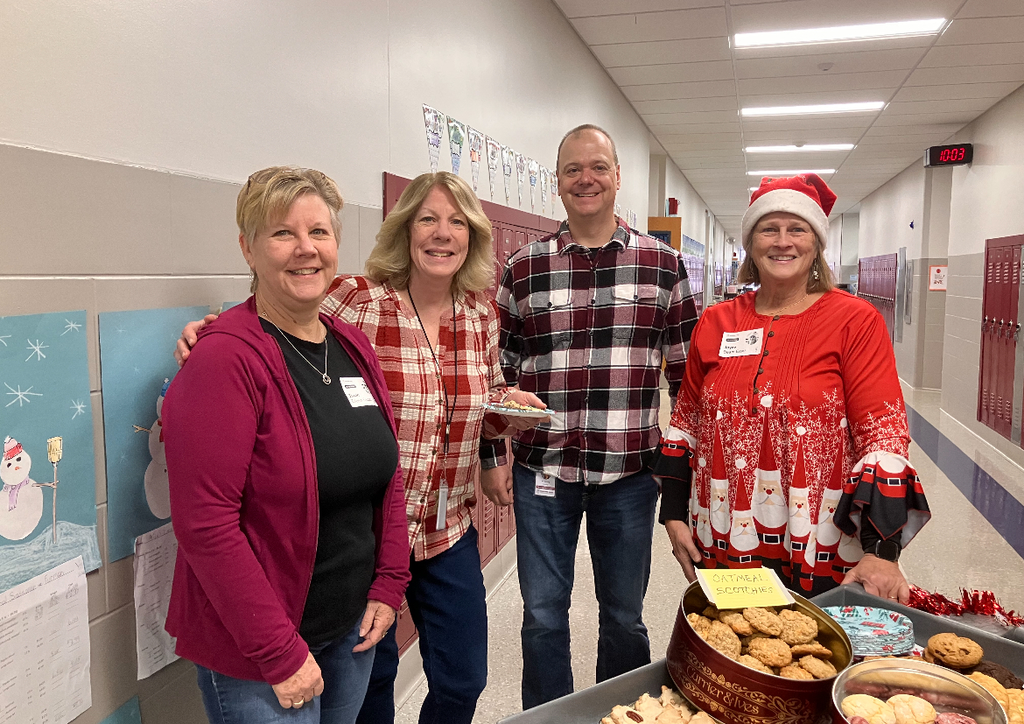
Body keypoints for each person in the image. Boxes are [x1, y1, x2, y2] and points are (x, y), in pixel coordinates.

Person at [177, 171, 544, 724]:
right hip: (352, 554)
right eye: (427, 219)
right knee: (377, 687)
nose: (442, 234)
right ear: (404, 230)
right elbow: (276, 317)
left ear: (473, 236)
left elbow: (464, 406)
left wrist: (502, 418)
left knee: (463, 677)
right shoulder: (358, 304)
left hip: (437, 531)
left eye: (456, 222)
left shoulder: (477, 315)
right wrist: (206, 333)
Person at [163, 166, 411, 724]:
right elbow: (206, 525)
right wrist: (279, 652)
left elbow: (385, 473)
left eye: (319, 232)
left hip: (350, 630)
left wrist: (389, 583)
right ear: (249, 249)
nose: (306, 250)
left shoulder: (349, 343)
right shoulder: (223, 360)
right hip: (262, 651)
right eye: (283, 233)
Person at [483, 124, 700, 709]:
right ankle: (549, 718)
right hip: (541, 473)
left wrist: (685, 482)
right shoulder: (523, 268)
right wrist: (491, 457)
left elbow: (689, 384)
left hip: (629, 475)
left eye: (598, 167)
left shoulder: (663, 265)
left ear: (617, 176)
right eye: (573, 169)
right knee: (543, 616)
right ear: (557, 182)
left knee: (625, 617)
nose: (586, 179)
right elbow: (493, 379)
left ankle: (621, 714)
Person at [653, 173, 931, 603]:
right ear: (751, 242)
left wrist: (882, 549)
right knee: (739, 658)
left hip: (819, 543)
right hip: (724, 534)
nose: (783, 241)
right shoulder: (716, 321)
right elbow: (687, 418)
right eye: (769, 229)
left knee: (811, 660)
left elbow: (883, 432)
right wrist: (673, 514)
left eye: (797, 229)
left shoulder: (855, 321)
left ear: (816, 242)